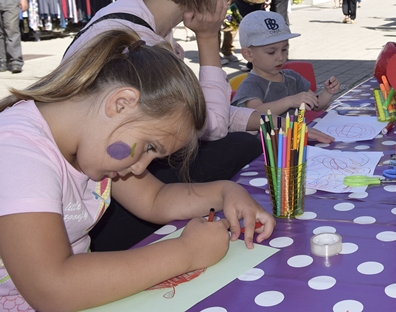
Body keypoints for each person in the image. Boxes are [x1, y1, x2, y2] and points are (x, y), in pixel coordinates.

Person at [0, 28, 275, 311]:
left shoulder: (97, 144)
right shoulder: (18, 151)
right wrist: (187, 252)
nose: (141, 167)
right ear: (121, 104)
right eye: (149, 147)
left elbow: (155, 200)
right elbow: (51, 288)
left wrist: (225, 192)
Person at [63, 0, 268, 251]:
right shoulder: (135, 41)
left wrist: (267, 120)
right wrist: (207, 38)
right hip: (104, 203)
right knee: (241, 148)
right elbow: (209, 125)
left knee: (251, 141)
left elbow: (186, 111)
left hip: (121, 186)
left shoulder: (140, 20)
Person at [232, 11, 340, 115]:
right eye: (271, 52)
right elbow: (255, 113)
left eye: (284, 49)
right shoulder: (251, 85)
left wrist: (327, 92)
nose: (280, 57)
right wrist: (289, 101)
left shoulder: (292, 77)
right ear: (248, 54)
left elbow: (316, 105)